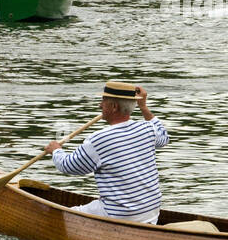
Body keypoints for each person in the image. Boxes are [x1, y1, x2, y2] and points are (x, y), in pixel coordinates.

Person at [44, 82, 169, 224]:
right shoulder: (148, 129)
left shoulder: (98, 139)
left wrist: (56, 150)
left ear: (114, 107)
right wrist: (143, 107)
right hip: (151, 212)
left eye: (103, 101)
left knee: (59, 218)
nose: (100, 105)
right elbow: (164, 138)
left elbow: (68, 166)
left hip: (120, 215)